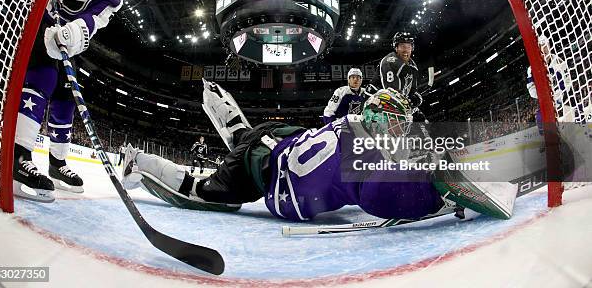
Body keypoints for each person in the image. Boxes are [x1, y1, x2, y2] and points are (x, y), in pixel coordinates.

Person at [121, 80, 516, 222]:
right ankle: (139, 160)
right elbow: (378, 196)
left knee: (254, 138)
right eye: (397, 123)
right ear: (379, 119)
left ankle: (235, 122)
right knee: (205, 195)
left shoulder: (354, 128)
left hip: (281, 137)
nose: (401, 131)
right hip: (265, 171)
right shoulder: (367, 149)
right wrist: (438, 195)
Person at [13, 0, 146, 202]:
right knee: (44, 79)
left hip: (63, 38)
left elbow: (95, 21)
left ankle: (57, 164)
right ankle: (19, 156)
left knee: (67, 97)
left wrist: (74, 31)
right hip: (39, 23)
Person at [369, 32, 423, 111]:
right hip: (375, 103)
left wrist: (413, 98)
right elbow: (391, 93)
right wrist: (406, 102)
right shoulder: (390, 61)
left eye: (408, 47)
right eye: (402, 46)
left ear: (412, 48)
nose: (406, 50)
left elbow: (412, 90)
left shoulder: (413, 66)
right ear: (396, 47)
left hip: (395, 103)